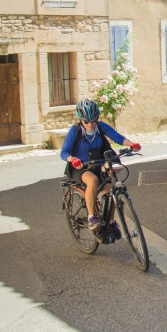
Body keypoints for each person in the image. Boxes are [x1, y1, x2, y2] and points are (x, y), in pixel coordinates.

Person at [61, 99, 141, 234]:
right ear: (81, 119)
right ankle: (92, 216)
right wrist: (72, 159)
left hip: (99, 164)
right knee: (92, 180)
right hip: (80, 167)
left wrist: (131, 144)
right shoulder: (75, 130)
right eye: (86, 122)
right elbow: (64, 152)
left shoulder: (101, 126)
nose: (90, 124)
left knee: (111, 190)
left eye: (93, 121)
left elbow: (118, 137)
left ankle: (110, 222)